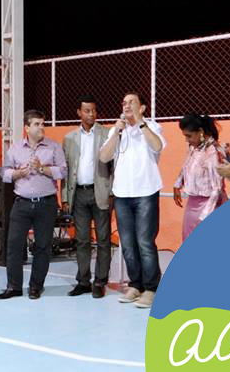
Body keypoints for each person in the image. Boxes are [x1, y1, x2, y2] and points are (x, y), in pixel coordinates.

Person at [99, 92, 166, 309]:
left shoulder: (152, 127)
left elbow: (157, 146)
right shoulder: (117, 130)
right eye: (124, 103)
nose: (126, 105)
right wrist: (116, 133)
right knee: (127, 244)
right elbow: (104, 157)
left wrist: (140, 123)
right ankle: (135, 285)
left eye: (132, 102)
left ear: (143, 107)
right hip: (122, 194)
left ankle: (152, 288)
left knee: (145, 242)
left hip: (146, 191)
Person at [0, 110, 66, 300]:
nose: (41, 127)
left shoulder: (53, 147)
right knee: (14, 245)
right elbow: (4, 173)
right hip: (21, 204)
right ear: (27, 128)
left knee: (43, 246)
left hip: (46, 204)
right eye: (37, 124)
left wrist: (41, 169)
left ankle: (36, 286)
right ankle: (14, 287)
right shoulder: (15, 149)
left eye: (43, 123)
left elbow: (63, 171)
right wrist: (18, 173)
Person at [61, 95, 113, 298]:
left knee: (103, 240)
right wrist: (65, 197)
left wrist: (111, 192)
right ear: (79, 113)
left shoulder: (107, 134)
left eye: (93, 110)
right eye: (87, 111)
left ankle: (100, 282)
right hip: (78, 195)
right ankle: (83, 281)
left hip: (100, 193)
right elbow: (66, 170)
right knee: (81, 240)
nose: (91, 114)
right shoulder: (69, 138)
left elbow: (114, 167)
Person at [173, 114, 228, 242]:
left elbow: (217, 188)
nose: (187, 140)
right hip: (193, 204)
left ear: (201, 132)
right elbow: (187, 165)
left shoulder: (213, 151)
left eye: (189, 136)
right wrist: (177, 184)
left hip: (210, 205)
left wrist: (205, 215)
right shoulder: (194, 148)